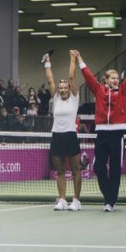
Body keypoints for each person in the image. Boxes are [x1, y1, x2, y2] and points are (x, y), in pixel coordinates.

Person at [76, 46, 126, 212]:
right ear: (105, 80)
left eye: (116, 78)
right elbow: (88, 76)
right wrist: (79, 59)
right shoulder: (99, 90)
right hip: (101, 133)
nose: (115, 80)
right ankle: (108, 195)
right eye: (111, 78)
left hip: (117, 133)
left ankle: (110, 201)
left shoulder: (122, 90)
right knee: (98, 166)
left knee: (115, 169)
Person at [43, 50, 82, 211]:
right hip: (57, 136)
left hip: (70, 136)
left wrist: (73, 59)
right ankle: (62, 200)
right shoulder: (56, 98)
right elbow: (50, 79)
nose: (63, 89)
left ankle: (77, 201)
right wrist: (47, 62)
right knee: (60, 171)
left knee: (75, 171)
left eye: (65, 87)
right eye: (61, 87)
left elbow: (72, 77)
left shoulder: (74, 97)